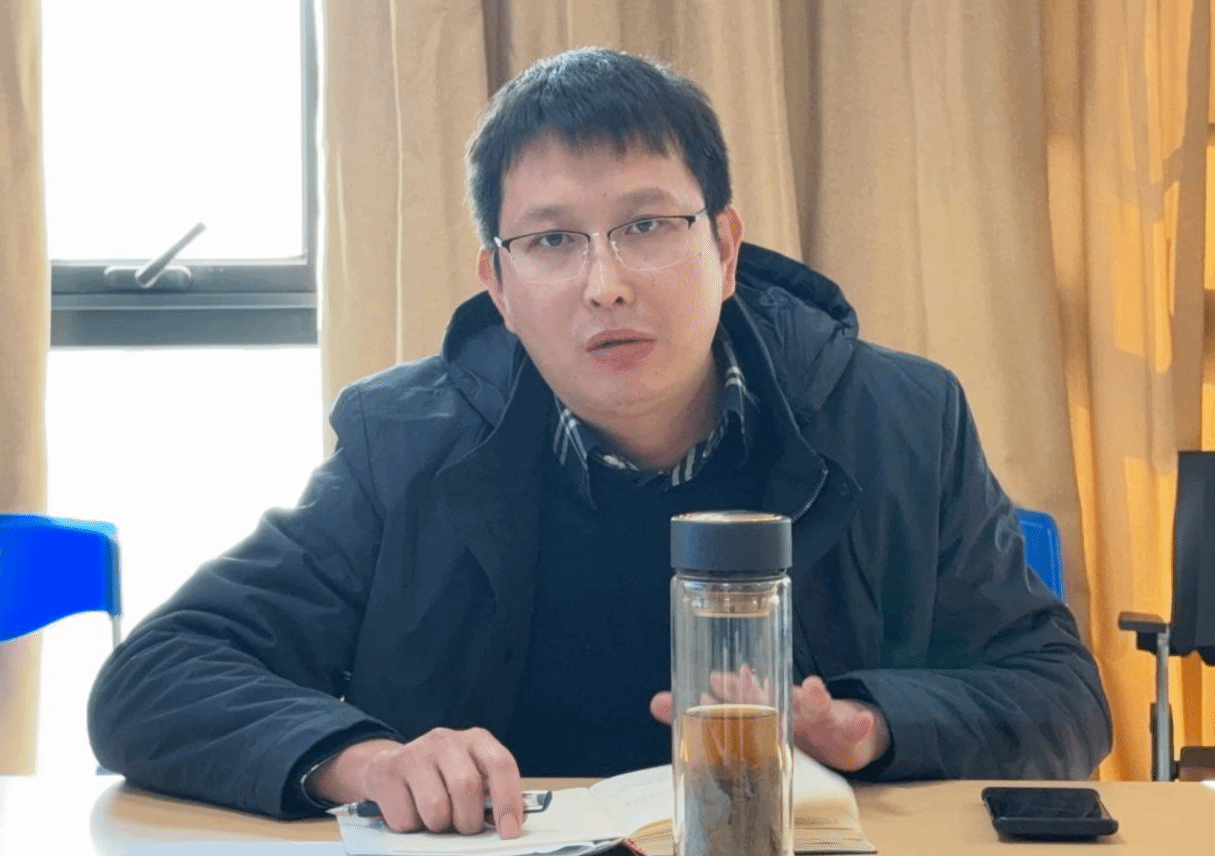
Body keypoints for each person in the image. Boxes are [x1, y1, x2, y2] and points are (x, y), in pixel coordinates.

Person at [88, 47, 1111, 837]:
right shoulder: (402, 443)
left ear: (724, 247)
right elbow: (156, 676)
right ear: (497, 284)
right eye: (551, 240)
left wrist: (869, 722)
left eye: (646, 226)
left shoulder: (898, 418)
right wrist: (365, 761)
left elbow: (1060, 695)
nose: (604, 284)